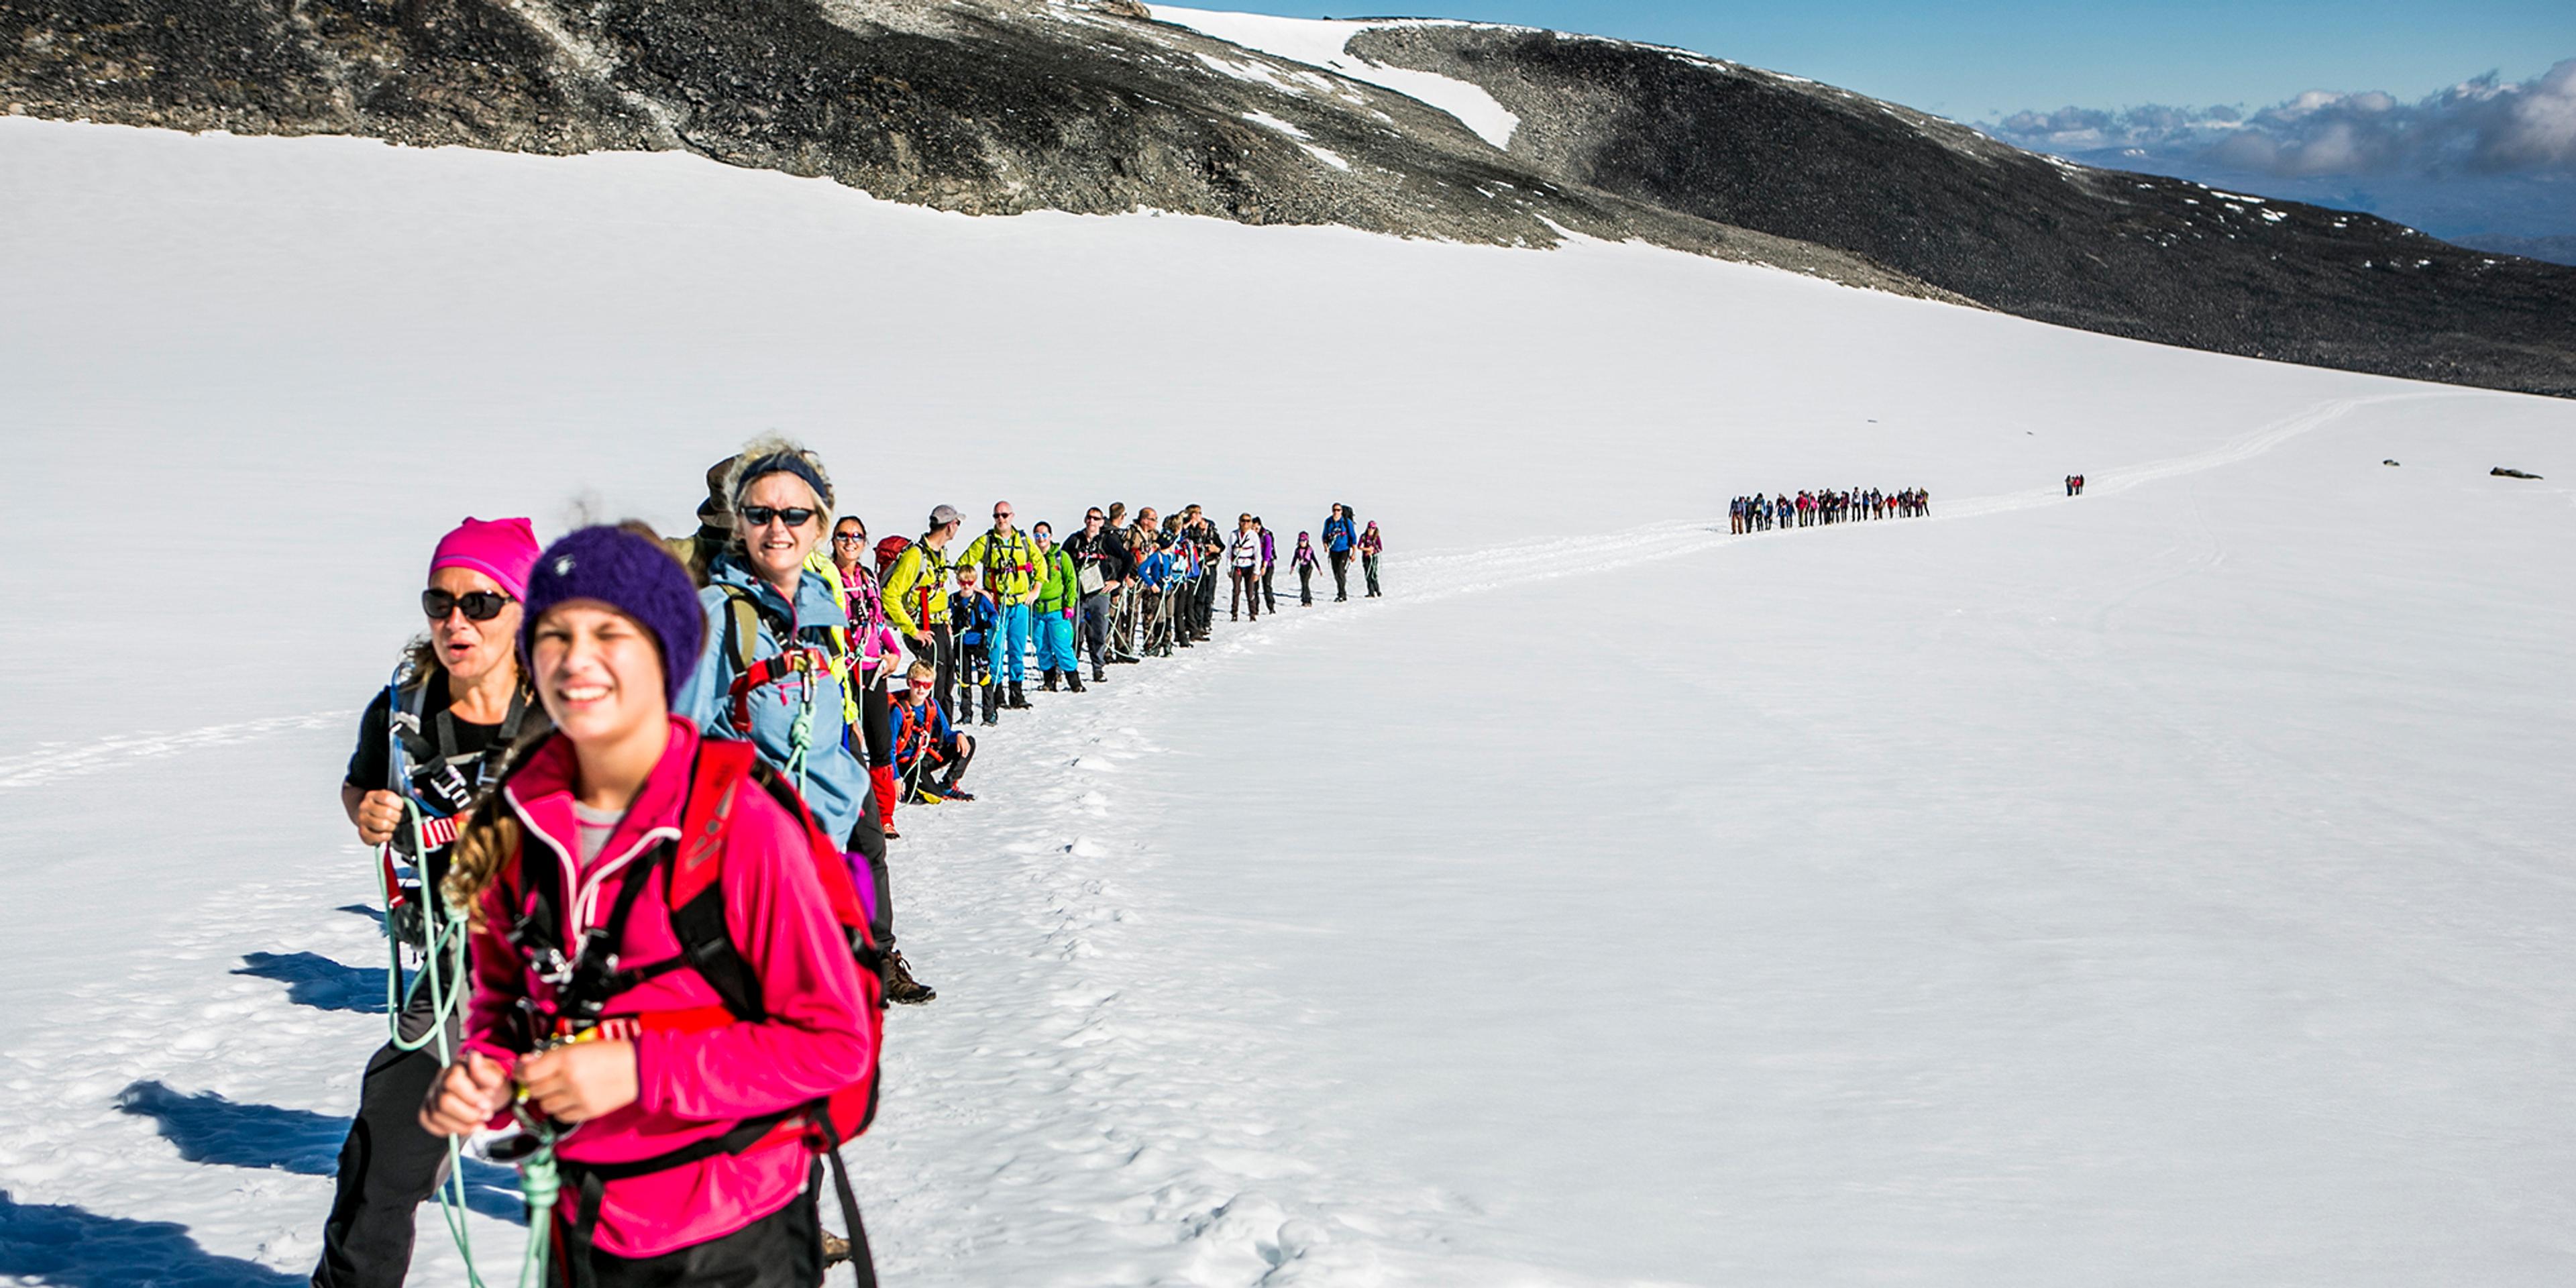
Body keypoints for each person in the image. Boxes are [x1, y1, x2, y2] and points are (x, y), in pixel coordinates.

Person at [419, 523, 874, 1288]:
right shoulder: (516, 822)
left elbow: (833, 1046)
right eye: (555, 633)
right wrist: (491, 1076)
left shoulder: (740, 823)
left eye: (611, 632)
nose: (578, 657)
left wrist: (637, 1070)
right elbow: (506, 1006)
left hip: (736, 1229)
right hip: (581, 1221)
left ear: (666, 654)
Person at [316, 517, 544, 1288]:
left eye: (481, 602)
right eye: (440, 601)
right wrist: (366, 812)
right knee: (387, 1140)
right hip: (462, 964)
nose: (457, 621)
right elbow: (361, 782)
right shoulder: (403, 707)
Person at [676, 438, 930, 1006]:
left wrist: (849, 725)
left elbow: (824, 667)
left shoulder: (813, 592)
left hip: (835, 749)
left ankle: (874, 955)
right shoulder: (719, 614)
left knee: (868, 849)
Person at [828, 515, 904, 842]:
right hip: (840, 672)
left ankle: (883, 816)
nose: (850, 542)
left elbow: (878, 624)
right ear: (833, 540)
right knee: (844, 743)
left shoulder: (870, 579)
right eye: (843, 536)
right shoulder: (825, 578)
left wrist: (894, 652)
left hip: (873, 671)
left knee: (881, 743)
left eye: (857, 536)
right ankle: (845, 812)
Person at [883, 504, 962, 727]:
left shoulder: (939, 553)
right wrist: (912, 630)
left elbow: (939, 591)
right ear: (948, 526)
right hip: (924, 629)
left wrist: (945, 620)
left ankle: (944, 735)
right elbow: (890, 595)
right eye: (957, 523)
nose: (958, 527)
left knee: (947, 683)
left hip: (939, 626)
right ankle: (925, 742)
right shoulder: (915, 556)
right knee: (929, 688)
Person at [959, 502, 1042, 710]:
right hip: (996, 606)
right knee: (995, 648)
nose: (1001, 519)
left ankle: (1017, 691)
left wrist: (1036, 589)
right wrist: (977, 589)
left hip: (1020, 603)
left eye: (1005, 515)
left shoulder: (1022, 541)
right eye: (997, 515)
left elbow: (1040, 563)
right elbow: (963, 564)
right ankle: (997, 693)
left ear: (1012, 516)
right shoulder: (986, 541)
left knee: (1017, 648)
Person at [1061, 506, 1132, 684]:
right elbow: (1061, 560)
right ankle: (1068, 669)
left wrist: (1118, 581)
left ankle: (1098, 668)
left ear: (1102, 522)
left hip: (1100, 593)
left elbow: (1128, 559)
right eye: (1089, 518)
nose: (1091, 521)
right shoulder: (1075, 540)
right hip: (1077, 593)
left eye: (1095, 518)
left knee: (1099, 632)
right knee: (1072, 632)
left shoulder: (1107, 541)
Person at [893, 661, 977, 802]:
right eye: (917, 684)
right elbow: (889, 749)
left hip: (926, 755)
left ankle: (948, 784)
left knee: (968, 742)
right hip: (909, 763)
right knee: (935, 797)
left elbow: (947, 733)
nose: (921, 689)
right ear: (909, 682)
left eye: (926, 685)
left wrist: (959, 735)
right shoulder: (898, 711)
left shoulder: (932, 705)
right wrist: (894, 777)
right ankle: (916, 788)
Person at [1032, 521, 1084, 690]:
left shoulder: (1061, 557)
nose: (1041, 539)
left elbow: (1071, 580)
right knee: (1041, 646)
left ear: (1051, 536)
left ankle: (1074, 682)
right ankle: (1049, 680)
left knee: (1062, 646)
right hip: (1038, 610)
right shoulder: (1031, 558)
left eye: (1044, 535)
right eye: (1038, 535)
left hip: (1057, 610)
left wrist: (1070, 604)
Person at [949, 563, 999, 724]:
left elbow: (993, 614)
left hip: (978, 644)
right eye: (963, 583)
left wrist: (988, 624)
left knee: (984, 678)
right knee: (964, 680)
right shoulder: (954, 599)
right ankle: (966, 714)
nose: (966, 586)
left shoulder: (981, 599)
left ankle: (989, 714)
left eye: (970, 583)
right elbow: (944, 614)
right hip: (961, 644)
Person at [1131, 535, 1176, 652]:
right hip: (1158, 591)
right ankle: (1157, 644)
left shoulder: (1171, 556)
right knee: (1159, 618)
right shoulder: (1156, 557)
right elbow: (1142, 570)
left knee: (1169, 616)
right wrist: (1152, 584)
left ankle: (1167, 643)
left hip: (1169, 590)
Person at [1227, 513, 1263, 622]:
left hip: (1250, 566)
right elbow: (1229, 553)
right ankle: (1234, 613)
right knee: (1236, 590)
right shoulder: (1233, 535)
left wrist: (1257, 571)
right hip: (1237, 566)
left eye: (1248, 521)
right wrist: (1228, 568)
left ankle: (1252, 614)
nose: (1245, 523)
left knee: (1250, 591)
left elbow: (1258, 554)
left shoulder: (1253, 536)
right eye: (1243, 521)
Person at [1321, 504, 1355, 602]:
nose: (1336, 512)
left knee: (1340, 570)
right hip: (1333, 550)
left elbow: (1353, 537)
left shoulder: (1346, 522)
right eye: (1334, 510)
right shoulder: (1328, 522)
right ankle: (1341, 591)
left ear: (1341, 511)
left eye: (1338, 510)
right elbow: (1324, 536)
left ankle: (1342, 594)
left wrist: (1354, 553)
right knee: (1336, 572)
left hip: (1344, 549)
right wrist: (1325, 546)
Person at [1291, 531, 1321, 607]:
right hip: (1302, 568)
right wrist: (1292, 568)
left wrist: (1319, 569)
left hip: (1308, 568)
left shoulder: (1310, 549)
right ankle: (1304, 599)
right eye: (1300, 540)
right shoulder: (1298, 550)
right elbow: (1294, 559)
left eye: (1304, 540)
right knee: (1303, 583)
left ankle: (1308, 599)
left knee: (1306, 583)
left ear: (1307, 541)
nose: (1302, 542)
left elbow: (1314, 559)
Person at [1256, 518, 1278, 613]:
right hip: (1255, 565)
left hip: (1267, 565)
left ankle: (1271, 607)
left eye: (1256, 527)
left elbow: (1268, 552)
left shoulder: (1266, 536)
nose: (1255, 529)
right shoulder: (1251, 536)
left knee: (1267, 585)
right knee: (1253, 588)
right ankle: (1254, 608)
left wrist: (1264, 566)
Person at [1358, 521, 1384, 598]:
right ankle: (1371, 592)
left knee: (1373, 574)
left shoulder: (1376, 537)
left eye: (1373, 528)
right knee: (1368, 575)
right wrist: (1367, 549)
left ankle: (1377, 590)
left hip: (1374, 558)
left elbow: (1380, 548)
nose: (1371, 529)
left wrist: (1373, 551)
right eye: (1369, 527)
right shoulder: (1364, 536)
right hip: (1366, 558)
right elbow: (1359, 546)